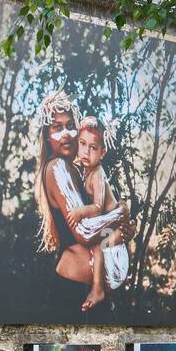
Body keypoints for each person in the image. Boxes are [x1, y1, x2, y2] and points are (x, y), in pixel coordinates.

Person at [32, 90, 129, 302]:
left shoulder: (81, 170)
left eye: (70, 126)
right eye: (57, 127)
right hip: (72, 291)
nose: (66, 133)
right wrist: (121, 214)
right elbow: (84, 232)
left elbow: (103, 226)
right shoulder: (56, 167)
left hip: (87, 292)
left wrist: (123, 229)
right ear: (47, 136)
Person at [69, 116, 131, 311]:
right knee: (95, 247)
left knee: (97, 247)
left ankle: (99, 290)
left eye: (93, 148)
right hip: (108, 229)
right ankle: (107, 294)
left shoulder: (98, 173)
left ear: (102, 152)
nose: (86, 151)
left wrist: (80, 212)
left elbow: (97, 207)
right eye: (82, 144)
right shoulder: (83, 168)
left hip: (115, 230)